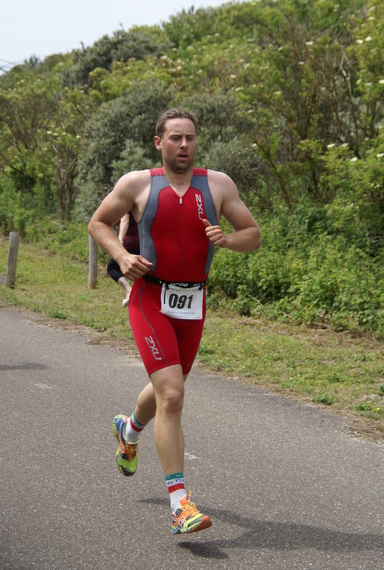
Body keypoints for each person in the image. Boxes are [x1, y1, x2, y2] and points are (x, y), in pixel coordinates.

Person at [88, 108, 261, 535]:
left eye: (190, 138)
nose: (184, 145)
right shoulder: (137, 183)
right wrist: (123, 256)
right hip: (149, 296)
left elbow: (252, 235)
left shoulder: (218, 184)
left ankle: (128, 430)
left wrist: (229, 239)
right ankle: (180, 504)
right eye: (176, 138)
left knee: (170, 387)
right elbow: (98, 222)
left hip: (193, 301)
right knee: (173, 395)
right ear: (159, 142)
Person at [106, 211, 139, 306]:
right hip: (142, 244)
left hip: (129, 244)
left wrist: (120, 240)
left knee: (112, 267)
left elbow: (125, 220)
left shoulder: (128, 204)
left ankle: (129, 291)